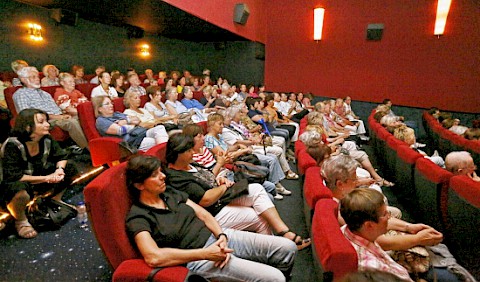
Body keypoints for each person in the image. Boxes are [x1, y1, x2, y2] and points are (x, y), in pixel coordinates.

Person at [125, 155, 298, 281]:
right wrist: (206, 253)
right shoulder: (138, 216)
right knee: (275, 278)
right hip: (197, 258)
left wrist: (221, 236)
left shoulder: (169, 193)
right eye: (154, 175)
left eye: (160, 172)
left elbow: (203, 214)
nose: (163, 176)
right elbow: (153, 257)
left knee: (288, 248)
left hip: (218, 238)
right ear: (139, 185)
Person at [164, 133, 311, 250]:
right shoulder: (175, 176)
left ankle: (282, 238)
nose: (192, 153)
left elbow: (207, 179)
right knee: (260, 216)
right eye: (188, 150)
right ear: (177, 153)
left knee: (258, 190)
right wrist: (222, 187)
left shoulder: (190, 164)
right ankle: (280, 245)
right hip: (212, 211)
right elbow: (205, 199)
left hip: (220, 198)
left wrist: (219, 181)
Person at [1, 109, 78, 239]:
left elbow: (61, 156)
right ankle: (20, 221)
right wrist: (46, 178)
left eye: (46, 121)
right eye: (41, 122)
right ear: (27, 127)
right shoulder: (13, 144)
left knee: (69, 167)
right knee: (19, 189)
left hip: (39, 179)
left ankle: (55, 200)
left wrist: (59, 170)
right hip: (17, 184)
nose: (47, 124)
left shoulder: (46, 138)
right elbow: (14, 176)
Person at [205, 113, 293, 195]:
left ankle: (274, 185)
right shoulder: (209, 139)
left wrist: (238, 146)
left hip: (235, 158)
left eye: (222, 124)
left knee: (270, 159)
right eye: (219, 124)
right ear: (212, 125)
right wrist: (242, 150)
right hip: (229, 165)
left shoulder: (219, 136)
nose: (222, 126)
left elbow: (227, 149)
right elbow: (225, 157)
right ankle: (274, 186)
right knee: (269, 160)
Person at [339, 189, 413, 282]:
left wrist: (409, 227)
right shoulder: (371, 268)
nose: (389, 217)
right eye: (385, 214)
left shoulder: (349, 229)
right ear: (369, 225)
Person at [13, 67, 89, 150]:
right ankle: (89, 149)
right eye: (33, 77)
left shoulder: (45, 93)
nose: (37, 79)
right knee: (72, 122)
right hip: (45, 120)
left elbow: (57, 109)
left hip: (59, 117)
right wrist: (58, 117)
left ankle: (98, 143)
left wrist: (64, 115)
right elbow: (27, 115)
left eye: (38, 77)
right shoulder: (21, 94)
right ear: (23, 79)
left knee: (84, 117)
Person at [92, 96, 164, 151]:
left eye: (111, 103)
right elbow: (121, 130)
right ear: (99, 108)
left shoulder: (117, 114)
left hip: (140, 132)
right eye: (107, 104)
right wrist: (131, 124)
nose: (111, 105)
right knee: (155, 141)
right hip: (131, 141)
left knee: (160, 128)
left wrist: (125, 122)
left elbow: (137, 119)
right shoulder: (101, 121)